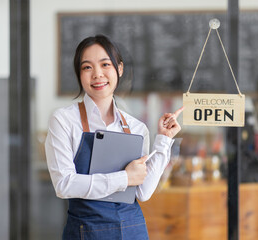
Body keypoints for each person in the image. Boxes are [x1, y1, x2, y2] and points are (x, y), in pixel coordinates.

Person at [45, 34, 183, 240]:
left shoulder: (137, 128)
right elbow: (64, 185)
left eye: (105, 64)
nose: (97, 74)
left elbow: (143, 193)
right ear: (79, 74)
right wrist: (124, 178)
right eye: (87, 67)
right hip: (87, 232)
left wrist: (163, 140)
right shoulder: (64, 120)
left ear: (119, 69)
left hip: (133, 230)